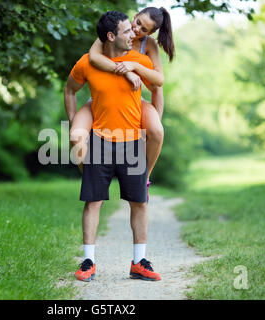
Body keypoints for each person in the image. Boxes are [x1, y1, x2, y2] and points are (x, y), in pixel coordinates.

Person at [64, 10, 162, 282]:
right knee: (92, 202)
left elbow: (158, 86)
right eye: (127, 31)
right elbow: (70, 89)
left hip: (132, 143)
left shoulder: (140, 61)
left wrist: (155, 121)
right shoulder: (87, 63)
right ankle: (88, 262)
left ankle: (139, 262)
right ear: (110, 36)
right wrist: (73, 120)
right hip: (100, 141)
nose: (134, 33)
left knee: (139, 204)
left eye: (134, 30)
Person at [70, 7, 175, 201]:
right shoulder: (115, 31)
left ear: (150, 33)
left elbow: (158, 83)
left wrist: (134, 66)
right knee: (75, 136)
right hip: (101, 98)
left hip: (134, 99)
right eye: (138, 22)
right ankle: (92, 178)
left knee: (157, 132)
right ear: (135, 16)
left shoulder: (148, 45)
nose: (136, 30)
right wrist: (125, 71)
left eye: (143, 29)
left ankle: (145, 177)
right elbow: (93, 58)